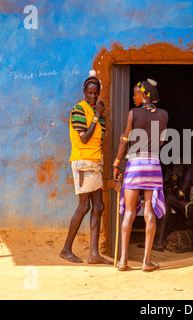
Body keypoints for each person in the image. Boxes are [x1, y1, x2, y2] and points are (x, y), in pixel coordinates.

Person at [113, 79, 168, 271]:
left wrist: (116, 163)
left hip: (135, 164)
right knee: (149, 212)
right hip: (152, 165)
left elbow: (124, 140)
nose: (134, 97)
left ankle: (123, 260)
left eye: (136, 94)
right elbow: (160, 142)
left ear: (145, 96)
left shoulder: (133, 113)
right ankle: (146, 261)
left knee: (129, 212)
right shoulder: (163, 115)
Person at [60, 70, 112, 265]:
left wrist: (99, 116)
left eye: (95, 93)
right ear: (84, 91)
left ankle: (94, 254)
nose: (93, 96)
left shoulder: (100, 115)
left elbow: (99, 139)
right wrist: (97, 116)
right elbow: (84, 137)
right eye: (90, 92)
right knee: (84, 207)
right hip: (83, 163)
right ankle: (66, 250)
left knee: (98, 206)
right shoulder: (79, 110)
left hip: (95, 163)